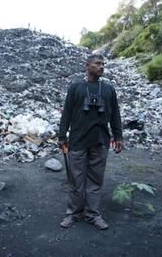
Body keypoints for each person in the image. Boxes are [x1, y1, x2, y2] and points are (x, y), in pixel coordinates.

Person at [58, 54, 123, 230]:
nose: (101, 67)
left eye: (103, 64)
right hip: (78, 141)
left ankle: (92, 214)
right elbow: (67, 113)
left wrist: (118, 136)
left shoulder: (109, 89)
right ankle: (73, 213)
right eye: (97, 64)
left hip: (101, 141)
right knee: (75, 180)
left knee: (95, 180)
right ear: (87, 66)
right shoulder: (76, 88)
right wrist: (62, 136)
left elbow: (115, 114)